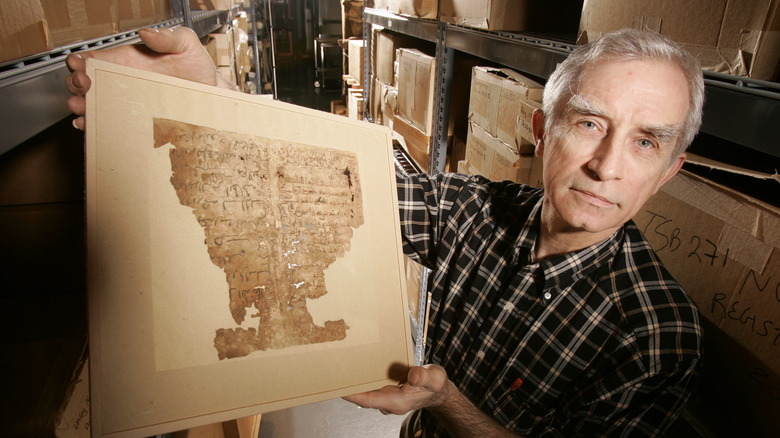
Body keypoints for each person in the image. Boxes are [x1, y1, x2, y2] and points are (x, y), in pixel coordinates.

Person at [66, 26, 704, 437]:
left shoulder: (657, 333)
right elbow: (345, 180)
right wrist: (207, 108)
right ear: (542, 130)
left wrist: (445, 403)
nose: (607, 165)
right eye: (590, 124)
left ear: (670, 170)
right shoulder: (473, 209)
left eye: (646, 142)